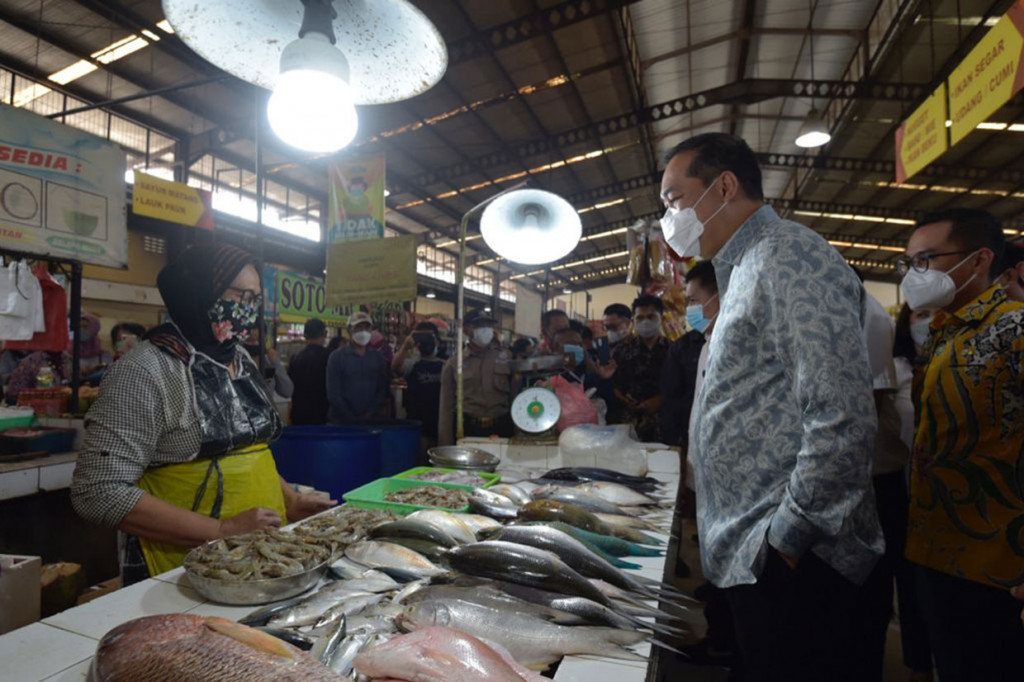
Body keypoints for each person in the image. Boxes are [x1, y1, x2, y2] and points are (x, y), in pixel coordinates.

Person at [665, 133, 882, 682]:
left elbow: (842, 414)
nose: (668, 217)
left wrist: (787, 537)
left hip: (795, 561)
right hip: (752, 550)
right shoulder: (741, 268)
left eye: (673, 199)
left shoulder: (788, 255)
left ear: (725, 186)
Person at [70, 244, 334, 584]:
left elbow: (247, 451)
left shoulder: (239, 358)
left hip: (261, 560)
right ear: (199, 293)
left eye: (255, 299)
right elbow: (98, 491)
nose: (248, 310)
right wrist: (220, 530)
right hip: (184, 571)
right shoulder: (145, 370)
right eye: (241, 296)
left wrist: (290, 500)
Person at [898, 208, 1024, 682]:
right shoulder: (941, 333)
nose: (916, 274)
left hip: (998, 567)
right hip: (936, 551)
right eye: (910, 262)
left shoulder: (1015, 329)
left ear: (978, 260)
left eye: (927, 259)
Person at [888, 303, 935, 682]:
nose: (927, 322)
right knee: (912, 581)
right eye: (919, 316)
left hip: (948, 495)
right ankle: (919, 660)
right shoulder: (897, 368)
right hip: (903, 488)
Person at [660, 260, 716, 450]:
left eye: (693, 300)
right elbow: (672, 400)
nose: (689, 308)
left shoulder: (741, 345)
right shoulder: (701, 344)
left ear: (721, 295)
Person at [437, 309, 512, 445]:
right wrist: (446, 444)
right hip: (468, 429)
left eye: (488, 325)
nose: (486, 329)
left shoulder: (506, 358)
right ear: (466, 330)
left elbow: (515, 395)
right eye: (479, 325)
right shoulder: (455, 363)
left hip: (502, 427)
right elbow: (446, 408)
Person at [610, 294, 668, 442]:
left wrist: (661, 400)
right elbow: (612, 383)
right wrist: (622, 397)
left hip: (664, 425)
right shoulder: (620, 351)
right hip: (627, 425)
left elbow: (683, 387)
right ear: (633, 321)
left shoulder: (674, 350)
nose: (645, 322)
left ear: (662, 318)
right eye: (640, 318)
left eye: (651, 317)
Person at [326, 312, 390, 424]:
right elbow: (333, 394)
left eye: (367, 327)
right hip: (341, 423)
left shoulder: (377, 357)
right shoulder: (336, 357)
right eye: (359, 327)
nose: (363, 331)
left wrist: (370, 413)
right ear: (349, 330)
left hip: (370, 421)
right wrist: (351, 418)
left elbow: (381, 389)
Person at [398, 322, 445, 457]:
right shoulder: (412, 363)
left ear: (437, 339)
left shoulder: (447, 364)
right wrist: (405, 347)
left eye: (430, 337)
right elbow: (395, 369)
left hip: (441, 424)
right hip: (418, 425)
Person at [287, 318, 330, 425]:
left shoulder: (295, 358)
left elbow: (289, 388)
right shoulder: (331, 357)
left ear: (304, 335)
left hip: (299, 415)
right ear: (325, 334)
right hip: (323, 415)